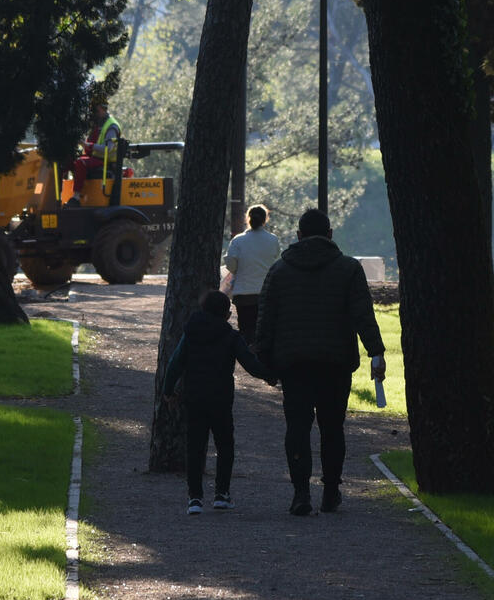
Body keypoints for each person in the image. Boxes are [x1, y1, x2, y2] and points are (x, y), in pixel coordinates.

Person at [254, 208, 385, 516]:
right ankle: (330, 491)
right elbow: (363, 315)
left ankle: (301, 492)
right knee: (332, 428)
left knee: (297, 427)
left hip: (294, 363)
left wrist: (266, 363)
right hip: (335, 361)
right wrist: (375, 352)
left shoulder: (279, 271)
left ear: (298, 236)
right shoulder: (348, 269)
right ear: (330, 235)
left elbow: (266, 321)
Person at [163, 289, 277, 515]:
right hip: (221, 398)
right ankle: (222, 494)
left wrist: (168, 390)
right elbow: (250, 364)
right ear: (225, 313)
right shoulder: (230, 336)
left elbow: (176, 362)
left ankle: (194, 498)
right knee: (225, 445)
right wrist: (271, 375)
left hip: (194, 396)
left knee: (195, 447)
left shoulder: (191, 332)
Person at [222, 204, 280, 347]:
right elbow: (276, 262)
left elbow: (231, 264)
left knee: (246, 331)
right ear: (265, 219)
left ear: (248, 219)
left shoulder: (238, 240)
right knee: (264, 330)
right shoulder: (273, 240)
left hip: (243, 294)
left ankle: (248, 357)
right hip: (266, 294)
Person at [65, 101, 120, 207]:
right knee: (68, 160)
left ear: (102, 108)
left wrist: (88, 145)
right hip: (96, 158)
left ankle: (76, 198)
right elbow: (90, 147)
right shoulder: (97, 125)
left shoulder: (111, 126)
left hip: (106, 161)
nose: (92, 113)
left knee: (81, 163)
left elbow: (108, 149)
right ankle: (59, 193)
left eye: (95, 110)